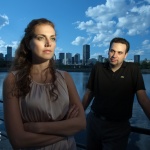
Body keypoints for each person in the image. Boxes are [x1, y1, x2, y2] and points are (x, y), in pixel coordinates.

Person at [3, 18, 86, 150]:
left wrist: (37, 127)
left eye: (52, 38)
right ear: (28, 43)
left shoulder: (65, 78)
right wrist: (66, 129)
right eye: (41, 38)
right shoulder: (13, 80)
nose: (48, 43)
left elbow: (81, 123)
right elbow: (18, 141)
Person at [82, 37, 150, 150]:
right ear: (108, 51)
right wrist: (77, 115)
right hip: (94, 122)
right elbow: (89, 93)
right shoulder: (98, 68)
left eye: (119, 52)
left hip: (118, 127)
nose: (114, 55)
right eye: (112, 51)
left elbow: (143, 99)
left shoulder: (133, 69)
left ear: (125, 55)